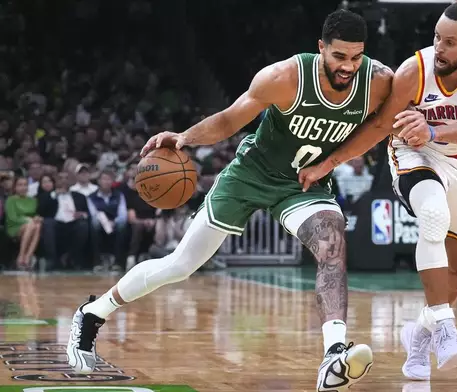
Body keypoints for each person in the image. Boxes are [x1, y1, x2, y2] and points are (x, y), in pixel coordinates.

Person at [66, 10, 393, 391]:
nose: (348, 67)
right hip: (251, 174)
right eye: (339, 57)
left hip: (304, 181)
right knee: (181, 265)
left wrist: (331, 163)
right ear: (321, 48)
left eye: (356, 57)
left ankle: (334, 355)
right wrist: (185, 138)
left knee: (331, 241)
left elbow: (381, 127)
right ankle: (92, 313)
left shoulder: (378, 81)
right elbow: (228, 120)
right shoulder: (284, 77)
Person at [299, 1, 457, 381]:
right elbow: (382, 124)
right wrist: (327, 163)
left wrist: (434, 130)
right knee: (433, 213)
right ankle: (445, 326)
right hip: (413, 152)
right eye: (436, 37)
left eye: (450, 42)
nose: (440, 48)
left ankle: (418, 337)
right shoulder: (415, 69)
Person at [4, 176, 41, 270]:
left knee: (37, 225)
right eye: (20, 185)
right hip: (14, 227)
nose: (23, 187)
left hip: (30, 226)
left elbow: (34, 214)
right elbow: (12, 218)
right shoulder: (10, 200)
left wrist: (37, 218)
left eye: (25, 185)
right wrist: (27, 220)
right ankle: (21, 256)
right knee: (31, 224)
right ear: (15, 187)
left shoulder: (33, 200)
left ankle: (28, 256)